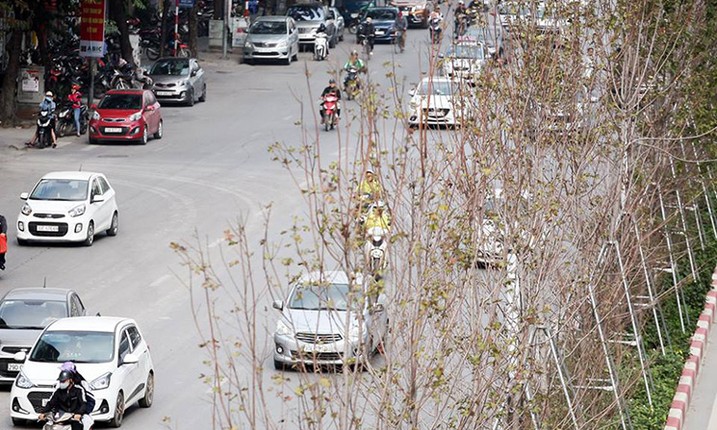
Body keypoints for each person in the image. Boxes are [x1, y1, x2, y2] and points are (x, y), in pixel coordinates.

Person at [59, 362, 95, 430]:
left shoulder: (82, 385)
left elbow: (91, 401)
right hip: (63, 413)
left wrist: (80, 413)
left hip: (79, 413)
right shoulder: (60, 384)